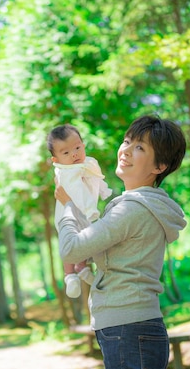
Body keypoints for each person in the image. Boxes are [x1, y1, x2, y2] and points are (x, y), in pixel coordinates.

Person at [54, 114, 187, 369]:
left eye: (139, 147)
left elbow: (70, 250)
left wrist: (67, 206)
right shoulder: (142, 206)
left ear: (159, 166)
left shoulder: (131, 210)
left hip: (128, 329)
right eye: (127, 141)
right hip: (131, 327)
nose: (125, 150)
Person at [47, 124, 112, 298]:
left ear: (83, 145)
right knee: (70, 242)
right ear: (56, 160)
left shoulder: (87, 164)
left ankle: (82, 268)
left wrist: (103, 190)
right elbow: (80, 193)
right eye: (66, 153)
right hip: (70, 214)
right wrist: (92, 211)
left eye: (77, 148)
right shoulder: (67, 172)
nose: (74, 154)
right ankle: (70, 275)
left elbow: (97, 179)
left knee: (86, 242)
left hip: (86, 213)